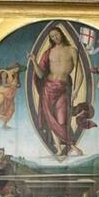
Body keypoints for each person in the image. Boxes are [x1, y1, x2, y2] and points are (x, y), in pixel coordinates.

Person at [29, 26, 83, 156]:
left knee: (62, 120)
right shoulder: (48, 52)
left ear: (62, 34)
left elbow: (80, 73)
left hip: (63, 88)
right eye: (52, 36)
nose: (55, 38)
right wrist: (34, 61)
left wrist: (76, 90)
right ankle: (59, 149)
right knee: (51, 118)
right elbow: (41, 75)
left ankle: (72, 145)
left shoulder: (72, 50)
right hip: (48, 87)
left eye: (56, 35)